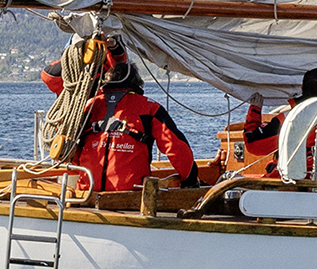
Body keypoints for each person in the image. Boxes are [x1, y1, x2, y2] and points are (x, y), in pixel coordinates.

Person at [37, 40, 199, 195]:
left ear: (106, 80)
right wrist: (190, 179)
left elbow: (70, 152)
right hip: (130, 195)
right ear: (137, 83)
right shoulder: (149, 108)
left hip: (87, 193)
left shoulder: (87, 107)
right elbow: (176, 148)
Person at [242, 66, 317, 174]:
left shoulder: (287, 119)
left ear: (302, 88)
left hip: (292, 180)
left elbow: (253, 145)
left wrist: (255, 110)